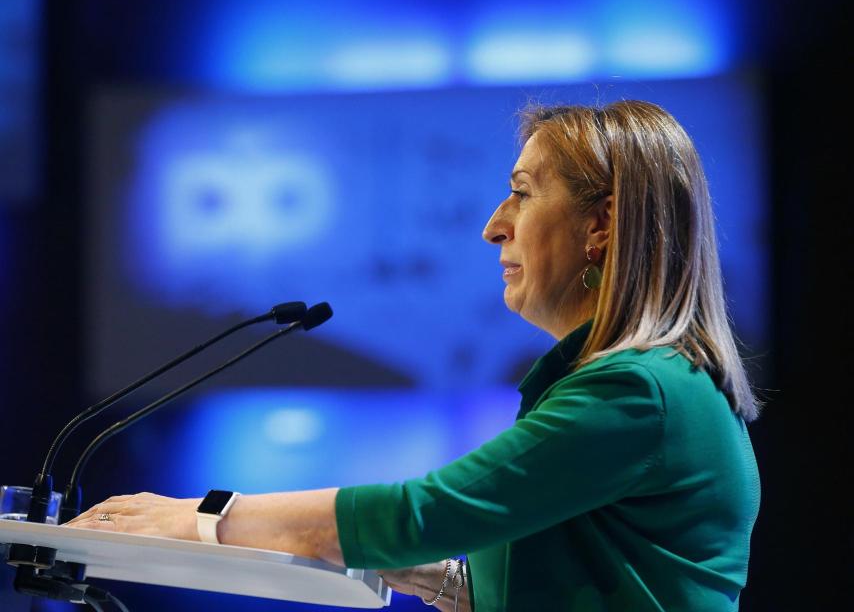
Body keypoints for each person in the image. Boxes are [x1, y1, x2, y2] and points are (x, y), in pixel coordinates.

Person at [68, 100, 761, 611]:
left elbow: (419, 513)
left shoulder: (637, 392)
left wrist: (201, 519)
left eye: (522, 193)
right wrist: (452, 583)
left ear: (602, 225)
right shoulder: (643, 384)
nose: (494, 226)